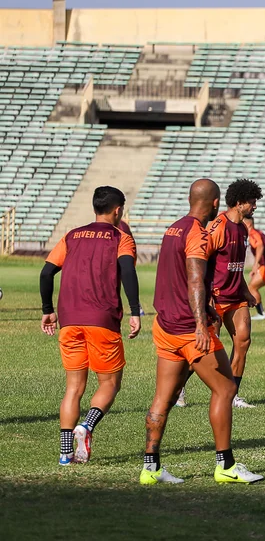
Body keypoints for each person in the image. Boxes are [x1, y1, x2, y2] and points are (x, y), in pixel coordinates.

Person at [140, 178, 263, 485]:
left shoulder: (174, 228)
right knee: (225, 389)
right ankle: (226, 466)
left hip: (165, 325)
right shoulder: (198, 233)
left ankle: (150, 468)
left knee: (162, 398)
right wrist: (200, 325)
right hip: (188, 329)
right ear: (216, 203)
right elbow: (195, 280)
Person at [39, 186, 141, 465]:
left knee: (73, 387)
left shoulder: (72, 235)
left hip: (69, 320)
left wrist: (48, 310)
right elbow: (128, 271)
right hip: (102, 319)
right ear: (118, 210)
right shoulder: (120, 237)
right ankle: (87, 426)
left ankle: (64, 453)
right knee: (110, 382)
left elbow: (47, 272)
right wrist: (135, 310)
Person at [178, 179, 262, 410]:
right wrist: (205, 298)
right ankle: (178, 387)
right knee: (203, 350)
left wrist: (246, 290)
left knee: (243, 341)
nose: (255, 207)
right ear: (239, 202)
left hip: (236, 297)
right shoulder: (218, 227)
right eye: (252, 202)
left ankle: (233, 394)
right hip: (216, 298)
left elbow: (235, 265)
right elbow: (200, 263)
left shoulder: (242, 228)